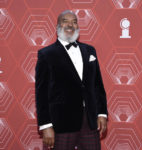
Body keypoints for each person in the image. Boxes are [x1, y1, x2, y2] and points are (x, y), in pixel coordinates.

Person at [35, 10, 108, 150]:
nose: (70, 25)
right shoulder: (46, 54)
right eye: (65, 21)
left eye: (74, 22)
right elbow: (41, 94)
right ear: (57, 26)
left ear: (78, 27)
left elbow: (98, 85)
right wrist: (45, 126)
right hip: (61, 123)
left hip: (90, 121)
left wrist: (102, 113)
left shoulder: (90, 51)